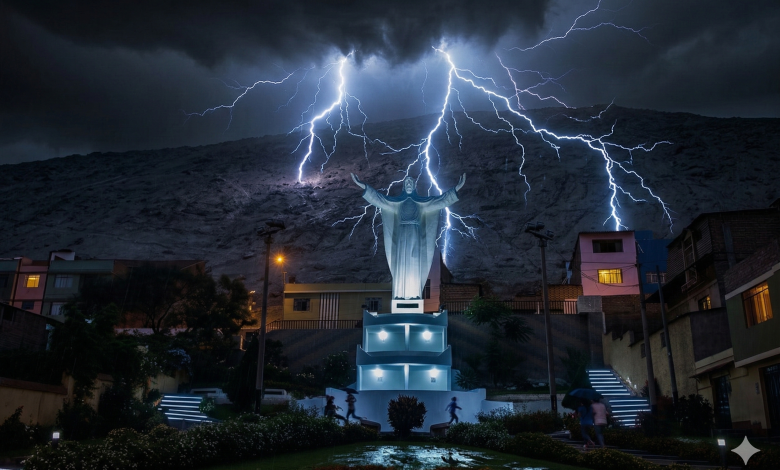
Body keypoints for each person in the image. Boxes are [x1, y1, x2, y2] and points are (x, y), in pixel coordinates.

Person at [352, 173, 465, 300]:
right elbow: (379, 199)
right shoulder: (396, 203)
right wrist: (364, 186)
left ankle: (415, 294)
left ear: (415, 186)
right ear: (404, 187)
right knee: (401, 263)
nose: (409, 184)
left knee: (414, 262)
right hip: (402, 234)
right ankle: (399, 294)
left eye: (411, 182)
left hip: (415, 234)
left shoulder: (422, 203)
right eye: (407, 182)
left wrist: (456, 189)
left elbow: (440, 200)